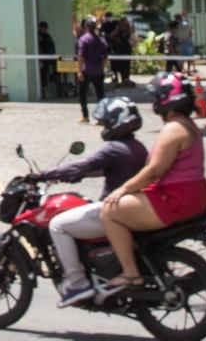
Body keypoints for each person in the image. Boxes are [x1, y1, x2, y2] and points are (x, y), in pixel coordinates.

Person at [98, 71, 206, 298]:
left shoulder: (173, 129)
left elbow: (154, 171)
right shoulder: (187, 125)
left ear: (166, 99)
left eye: (157, 98)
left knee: (109, 212)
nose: (154, 103)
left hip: (176, 198)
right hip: (197, 193)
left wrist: (122, 190)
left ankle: (131, 273)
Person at [44, 96, 153, 306]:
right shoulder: (135, 146)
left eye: (106, 122)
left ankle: (77, 283)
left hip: (113, 210)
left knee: (57, 225)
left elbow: (83, 165)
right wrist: (82, 174)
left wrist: (44, 174)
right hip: (130, 208)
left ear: (116, 121)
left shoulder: (115, 148)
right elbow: (102, 168)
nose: (103, 126)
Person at [74, 18, 109, 122]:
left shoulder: (83, 39)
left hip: (87, 70)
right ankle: (101, 118)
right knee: (100, 95)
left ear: (86, 27)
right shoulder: (102, 40)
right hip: (98, 70)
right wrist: (102, 68)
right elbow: (105, 57)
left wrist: (79, 71)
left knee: (82, 94)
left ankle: (85, 116)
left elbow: (81, 56)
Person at [36, 21, 61, 98]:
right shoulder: (37, 36)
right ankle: (44, 84)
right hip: (42, 58)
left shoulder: (47, 36)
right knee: (44, 68)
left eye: (46, 28)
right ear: (40, 27)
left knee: (58, 63)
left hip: (50, 56)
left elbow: (52, 45)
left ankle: (54, 76)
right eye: (44, 28)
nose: (45, 29)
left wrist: (52, 53)